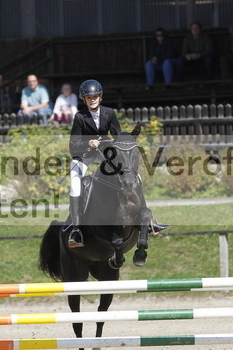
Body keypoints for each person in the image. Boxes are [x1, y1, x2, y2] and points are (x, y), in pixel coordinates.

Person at [67, 79, 169, 248]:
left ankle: (148, 219)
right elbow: (73, 146)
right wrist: (88, 142)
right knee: (75, 183)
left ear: (100, 97)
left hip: (106, 154)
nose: (92, 100)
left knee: (134, 177)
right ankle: (76, 229)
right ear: (84, 99)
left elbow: (119, 137)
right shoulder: (80, 117)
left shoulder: (109, 113)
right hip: (84, 156)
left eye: (95, 97)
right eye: (89, 98)